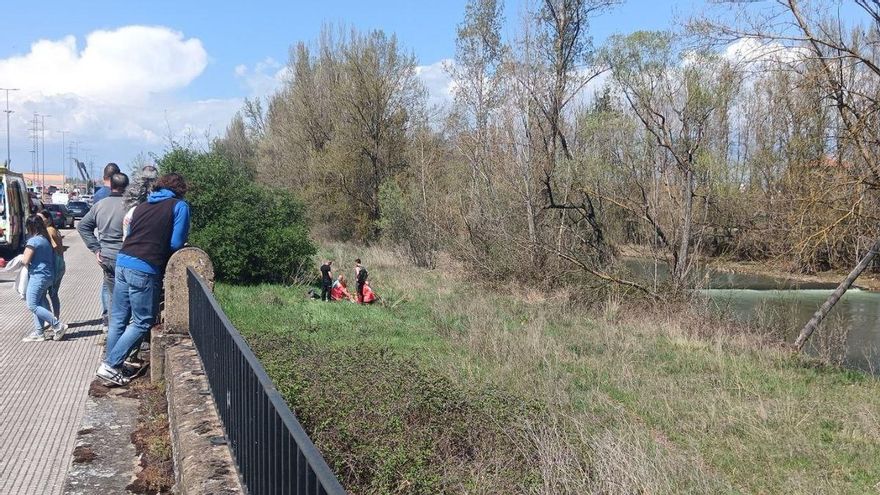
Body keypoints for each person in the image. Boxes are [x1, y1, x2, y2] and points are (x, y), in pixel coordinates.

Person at [96, 173, 190, 386]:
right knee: (143, 321)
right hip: (144, 267)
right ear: (180, 190)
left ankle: (110, 367)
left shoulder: (141, 206)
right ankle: (110, 365)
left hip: (123, 262)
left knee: (118, 319)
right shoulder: (179, 207)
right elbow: (176, 243)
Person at [78, 172, 129, 334]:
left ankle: (112, 330)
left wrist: (95, 248)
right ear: (127, 187)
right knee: (129, 298)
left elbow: (82, 226)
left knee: (113, 295)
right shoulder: (132, 207)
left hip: (106, 256)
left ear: (111, 186)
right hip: (127, 258)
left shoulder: (100, 205)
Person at [21, 215, 68, 341]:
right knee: (39, 301)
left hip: (38, 276)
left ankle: (57, 325)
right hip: (48, 275)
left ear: (30, 227)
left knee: (32, 305)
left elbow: (25, 260)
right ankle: (39, 332)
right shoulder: (45, 240)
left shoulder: (33, 241)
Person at [38, 209, 66, 319]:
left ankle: (52, 319)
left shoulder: (49, 230)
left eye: (41, 219)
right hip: (60, 263)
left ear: (48, 219)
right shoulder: (54, 229)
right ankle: (55, 318)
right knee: (53, 294)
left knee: (46, 294)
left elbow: (53, 246)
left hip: (55, 264)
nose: (39, 221)